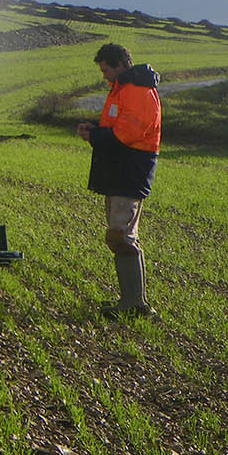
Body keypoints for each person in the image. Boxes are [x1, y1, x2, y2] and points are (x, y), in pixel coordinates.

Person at [76, 43, 161, 317]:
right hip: (120, 171)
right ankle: (132, 301)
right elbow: (117, 128)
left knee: (121, 236)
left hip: (129, 170)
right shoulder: (123, 90)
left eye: (106, 70)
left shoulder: (137, 92)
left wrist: (95, 136)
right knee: (119, 235)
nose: (104, 76)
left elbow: (127, 135)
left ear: (120, 65)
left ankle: (135, 304)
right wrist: (97, 129)